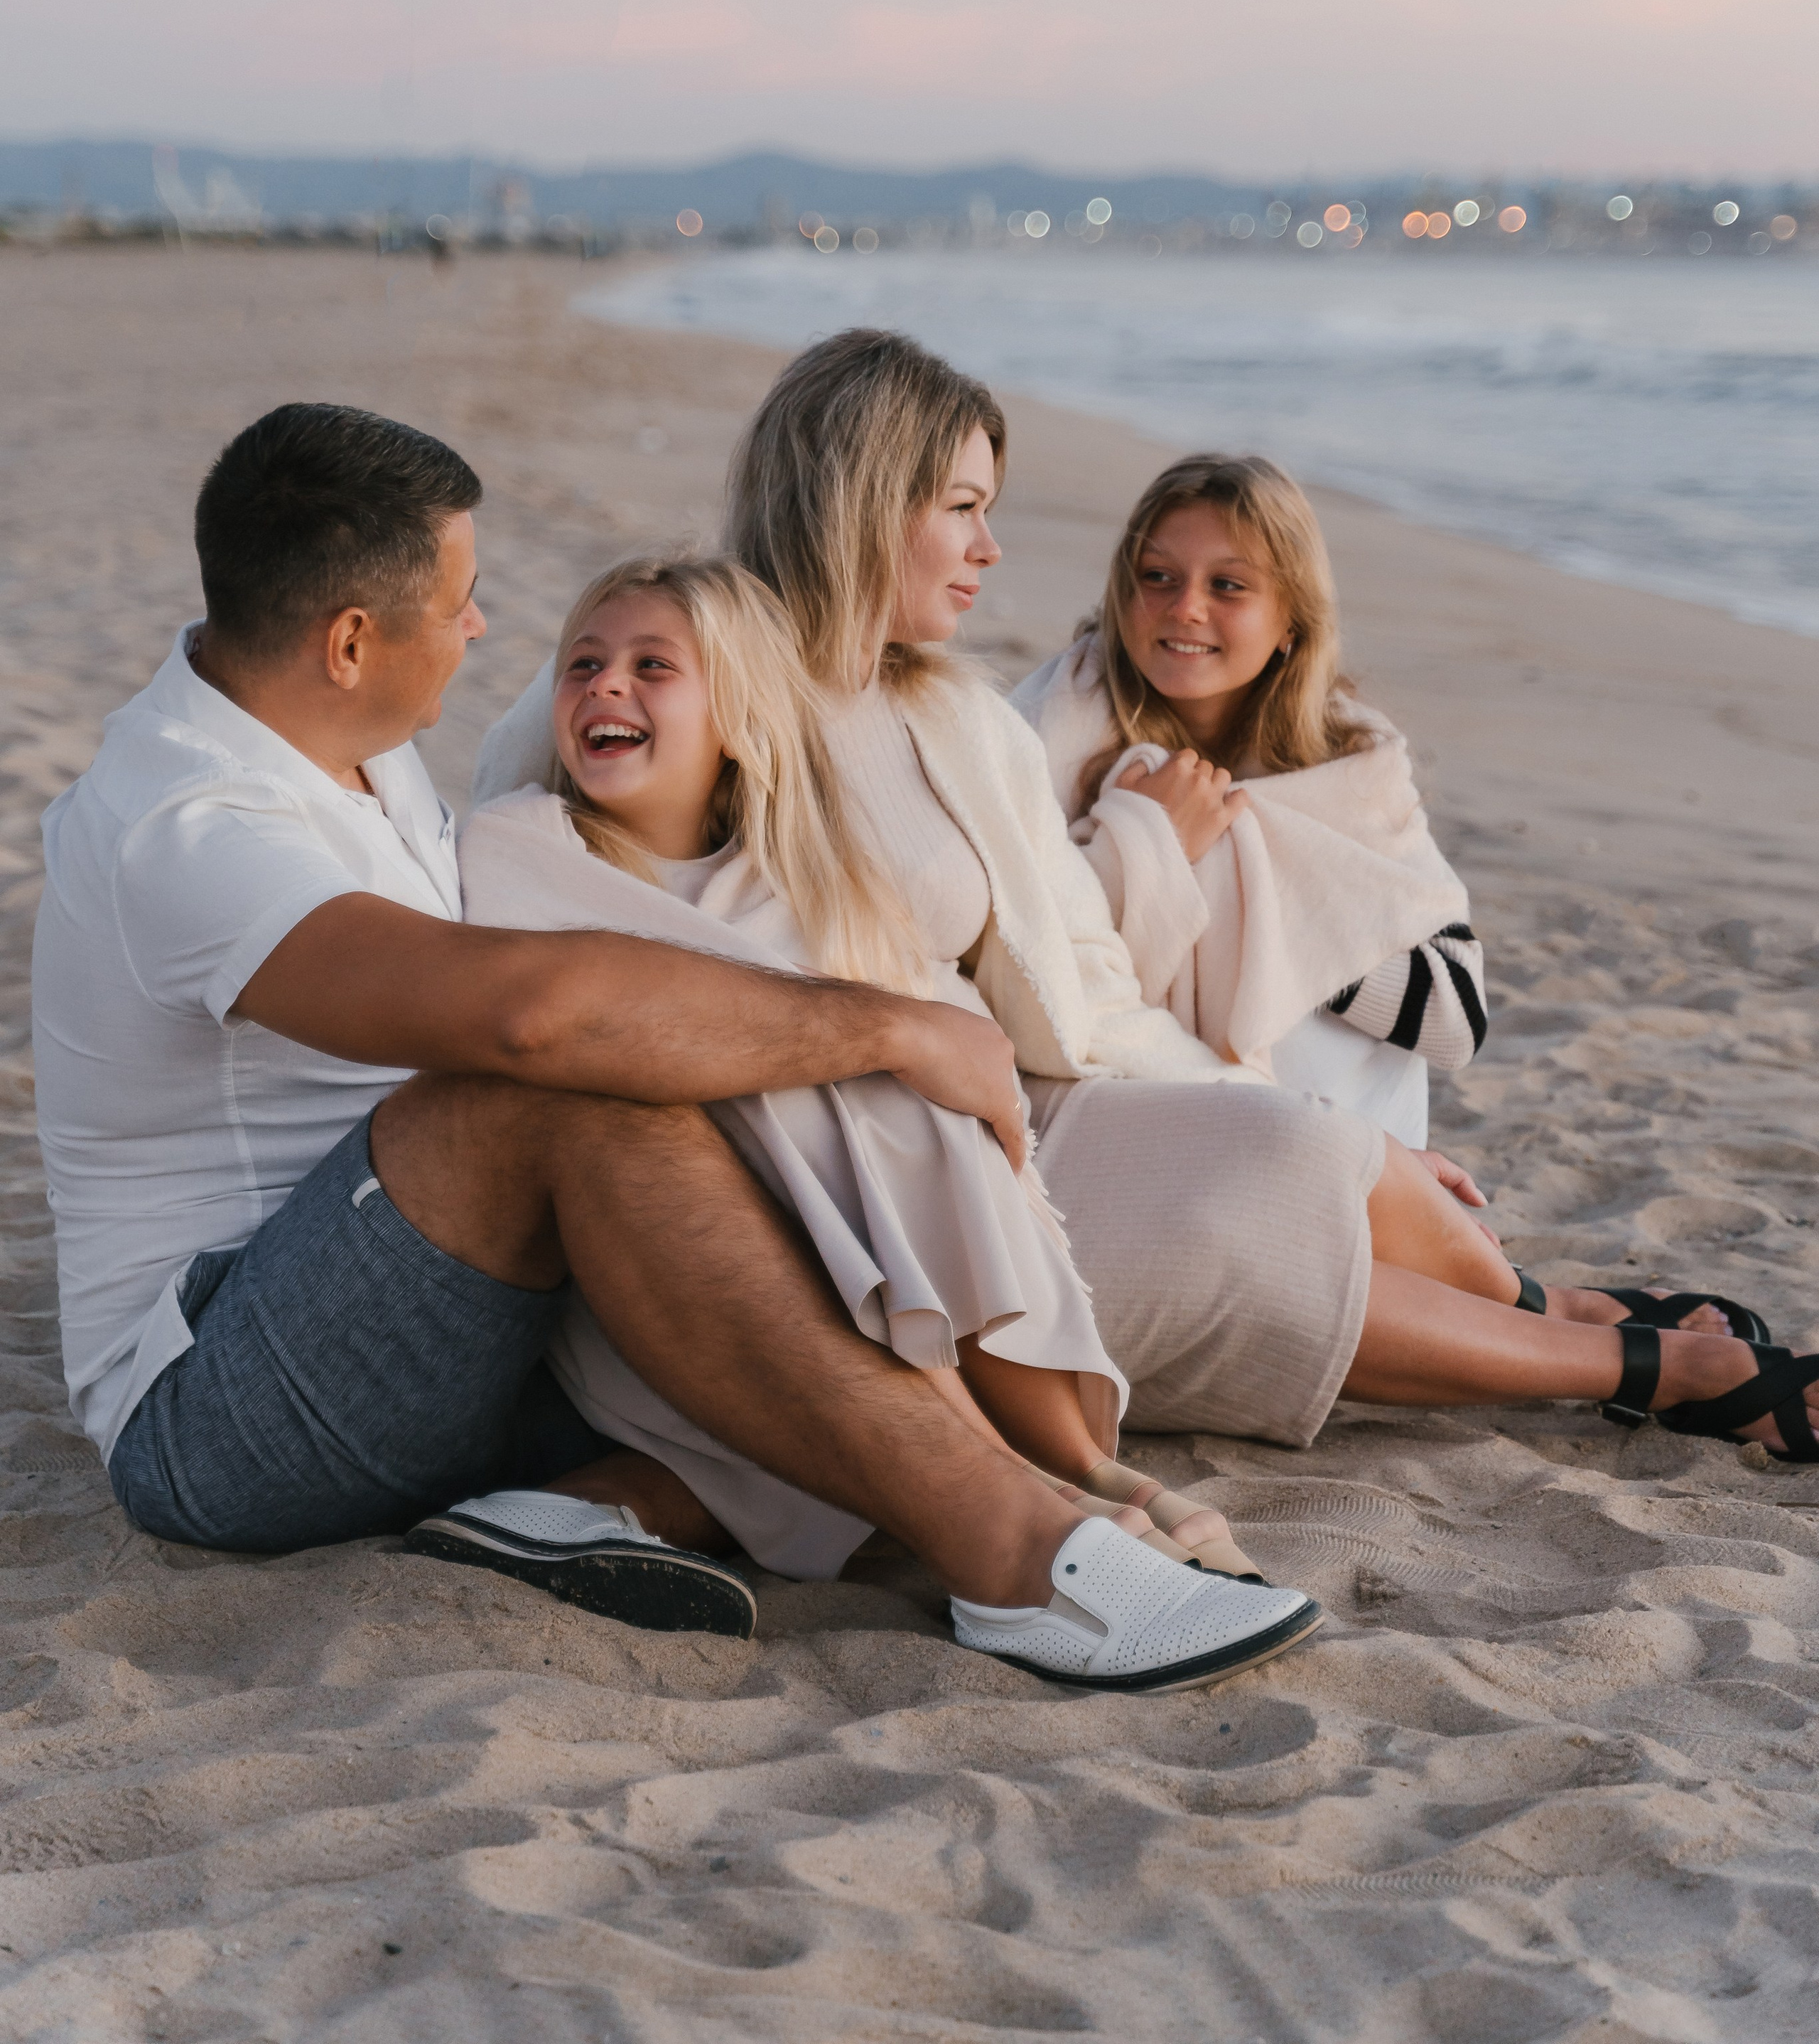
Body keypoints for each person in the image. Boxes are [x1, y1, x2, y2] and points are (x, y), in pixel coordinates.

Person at [29, 399, 1327, 1696]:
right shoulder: (189, 819)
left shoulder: (352, 750)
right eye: (462, 602)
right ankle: (1020, 1555)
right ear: (353, 639)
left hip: (440, 1304)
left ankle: (628, 1504)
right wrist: (887, 1026)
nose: (482, 632)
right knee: (555, 1093)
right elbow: (522, 1014)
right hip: (230, 1406)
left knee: (758, 1178)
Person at [476, 335, 1819, 1468]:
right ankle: (1643, 1369)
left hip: (1017, 1117)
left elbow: (1080, 989)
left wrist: (1239, 1098)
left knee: (1313, 1146)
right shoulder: (678, 669)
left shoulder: (953, 717)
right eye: (961, 506)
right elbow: (494, 862)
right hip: (843, 1189)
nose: (993, 548)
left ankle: (1572, 1315)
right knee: (1276, 1207)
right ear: (862, 497)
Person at [461, 549, 1265, 1581]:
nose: (605, 686)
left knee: (906, 1109)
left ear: (739, 719)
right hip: (683, 1268)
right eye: (583, 665)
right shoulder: (522, 847)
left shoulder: (789, 881)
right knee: (797, 1103)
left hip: (844, 1225)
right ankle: (1004, 1476)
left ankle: (1070, 1462)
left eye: (653, 667)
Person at [1010, 452, 1485, 1153]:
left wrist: (1242, 883)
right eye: (1157, 577)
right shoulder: (1047, 732)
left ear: (1290, 621)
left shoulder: (1348, 765)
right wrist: (1146, 845)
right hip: (1123, 1123)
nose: (1186, 607)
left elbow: (1456, 1021)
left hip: (1338, 1137)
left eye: (1227, 585)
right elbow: (1010, 957)